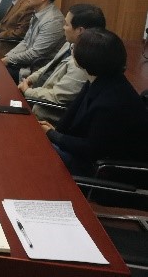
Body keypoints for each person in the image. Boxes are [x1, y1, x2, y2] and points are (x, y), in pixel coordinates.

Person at [39, 28, 148, 176]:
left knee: (35, 156)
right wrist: (54, 132)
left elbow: (92, 149)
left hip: (103, 169)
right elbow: (71, 114)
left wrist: (54, 135)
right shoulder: (100, 78)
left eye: (74, 48)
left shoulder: (111, 102)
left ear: (85, 59)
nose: (72, 50)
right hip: (86, 154)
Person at [19, 4, 106, 123]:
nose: (63, 27)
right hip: (36, 93)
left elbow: (58, 96)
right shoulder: (71, 44)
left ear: (80, 31)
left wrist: (27, 91)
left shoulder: (82, 63)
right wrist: (31, 79)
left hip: (43, 110)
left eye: (66, 24)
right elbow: (50, 65)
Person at [2, 0, 65, 82]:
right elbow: (26, 42)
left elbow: (36, 54)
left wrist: (8, 59)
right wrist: (8, 56)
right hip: (27, 63)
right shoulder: (38, 12)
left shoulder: (53, 21)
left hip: (37, 71)